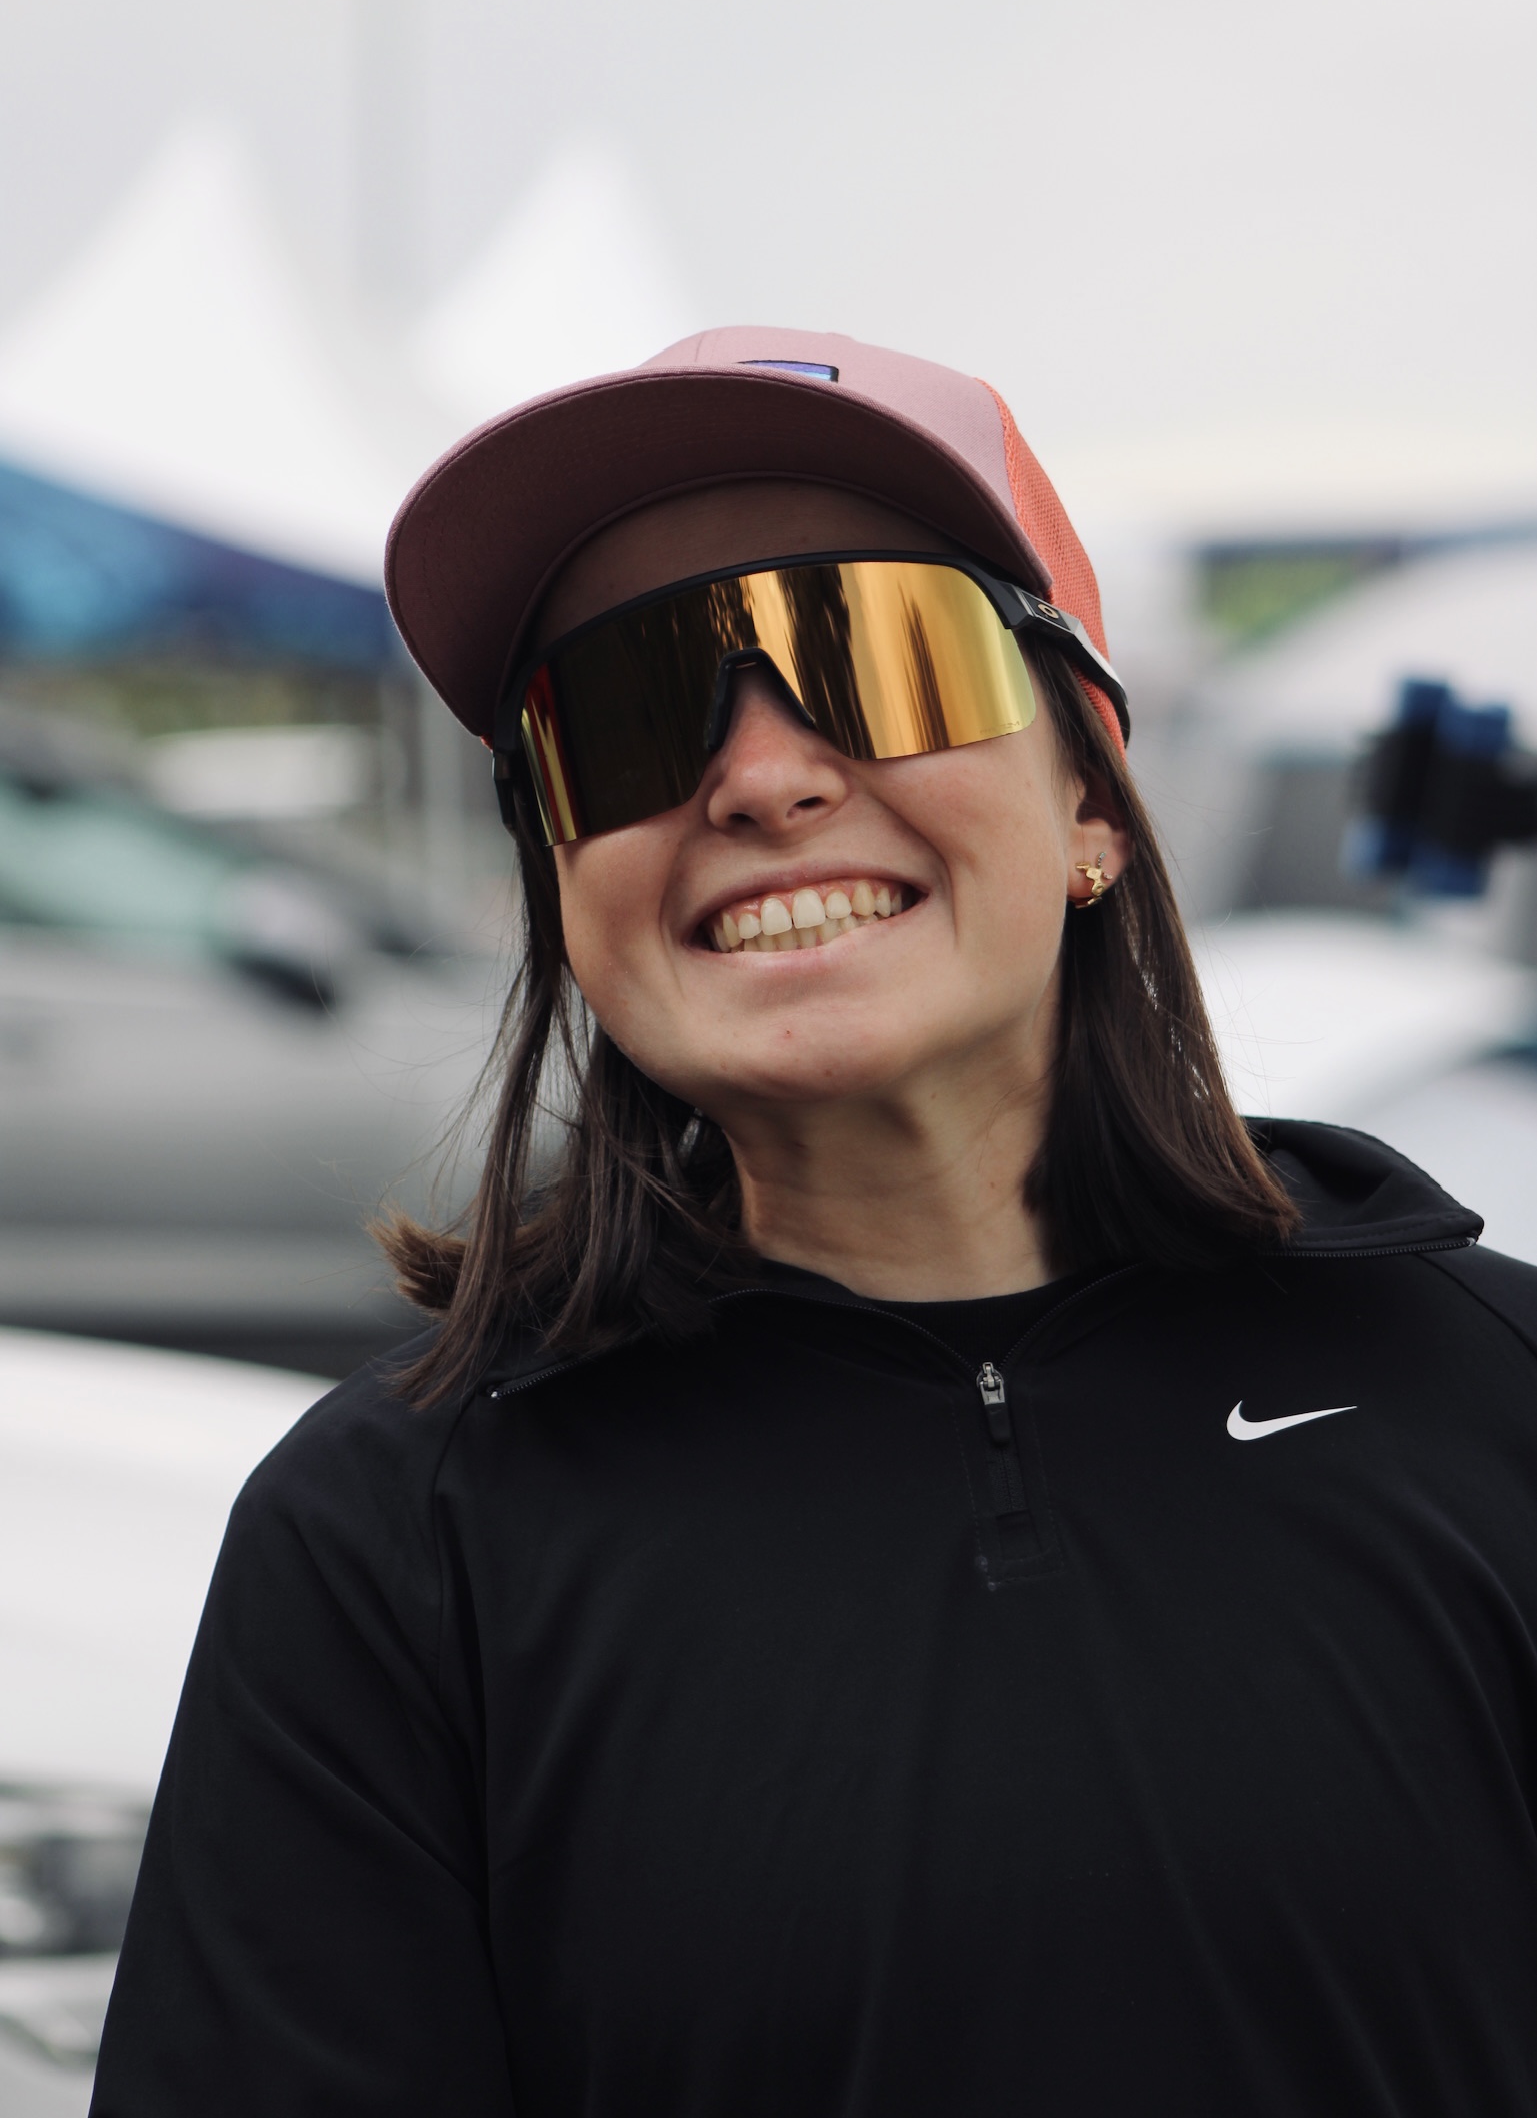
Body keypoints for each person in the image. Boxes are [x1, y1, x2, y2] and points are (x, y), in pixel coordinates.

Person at [93, 330, 1537, 2117]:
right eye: (626, 709)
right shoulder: (395, 1545)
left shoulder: (1492, 1390)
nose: (761, 776)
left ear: (1090, 797)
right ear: (561, 886)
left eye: (873, 652)